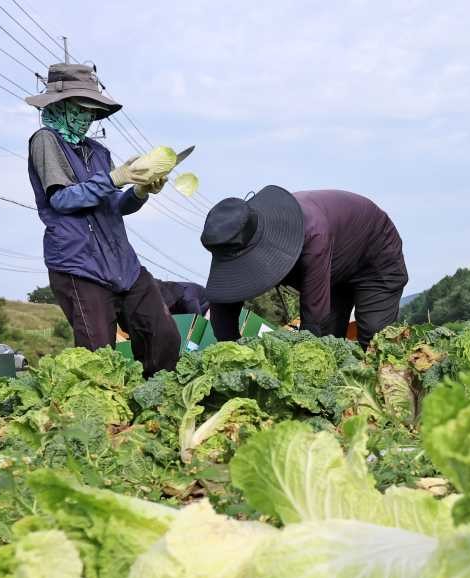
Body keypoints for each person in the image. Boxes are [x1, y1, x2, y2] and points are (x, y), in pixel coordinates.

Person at [24, 62, 180, 377]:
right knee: (98, 356)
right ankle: (103, 419)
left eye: (91, 110)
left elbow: (115, 207)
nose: (87, 117)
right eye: (80, 108)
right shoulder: (45, 141)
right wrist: (114, 178)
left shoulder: (98, 152)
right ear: (61, 105)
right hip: (79, 265)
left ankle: (158, 404)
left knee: (162, 335)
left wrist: (140, 190)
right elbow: (62, 199)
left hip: (123, 263)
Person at [201, 187, 407, 348]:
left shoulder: (311, 231)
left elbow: (313, 321)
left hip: (374, 256)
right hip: (334, 270)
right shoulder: (228, 238)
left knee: (374, 339)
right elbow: (223, 299)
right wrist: (231, 350)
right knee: (331, 341)